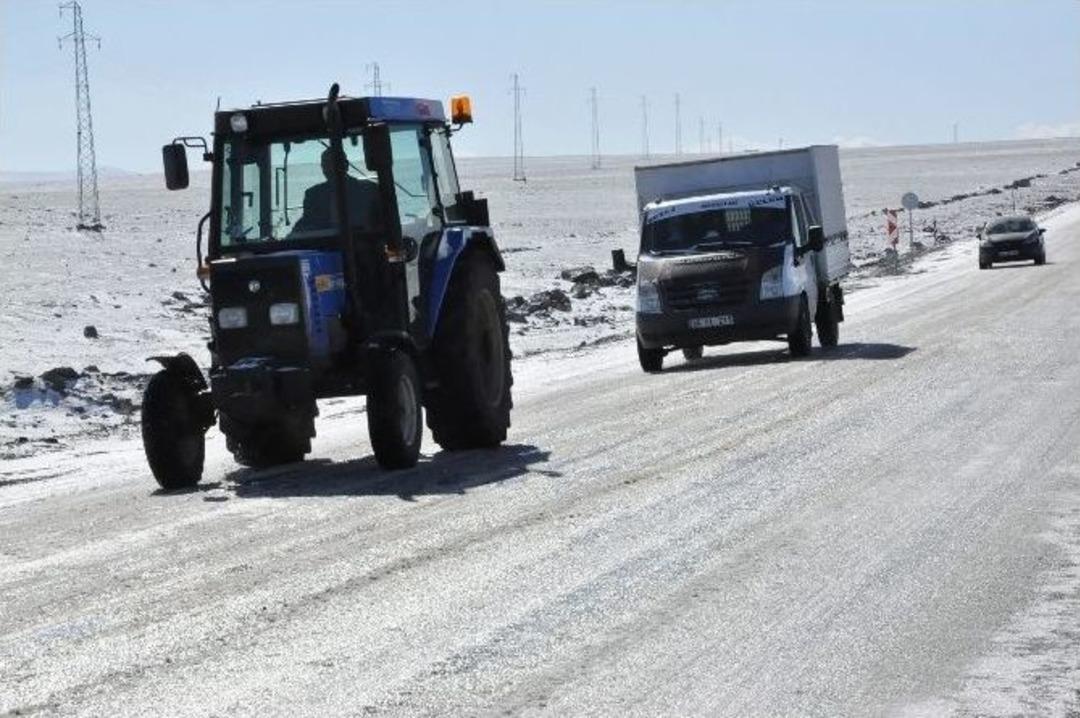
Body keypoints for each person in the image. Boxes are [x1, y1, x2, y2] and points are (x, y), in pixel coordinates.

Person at [288, 147, 381, 237]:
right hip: (324, 246)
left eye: (332, 163)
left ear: (346, 165)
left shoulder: (369, 190)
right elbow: (307, 223)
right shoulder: (313, 194)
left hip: (362, 245)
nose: (328, 168)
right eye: (325, 164)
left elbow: (381, 223)